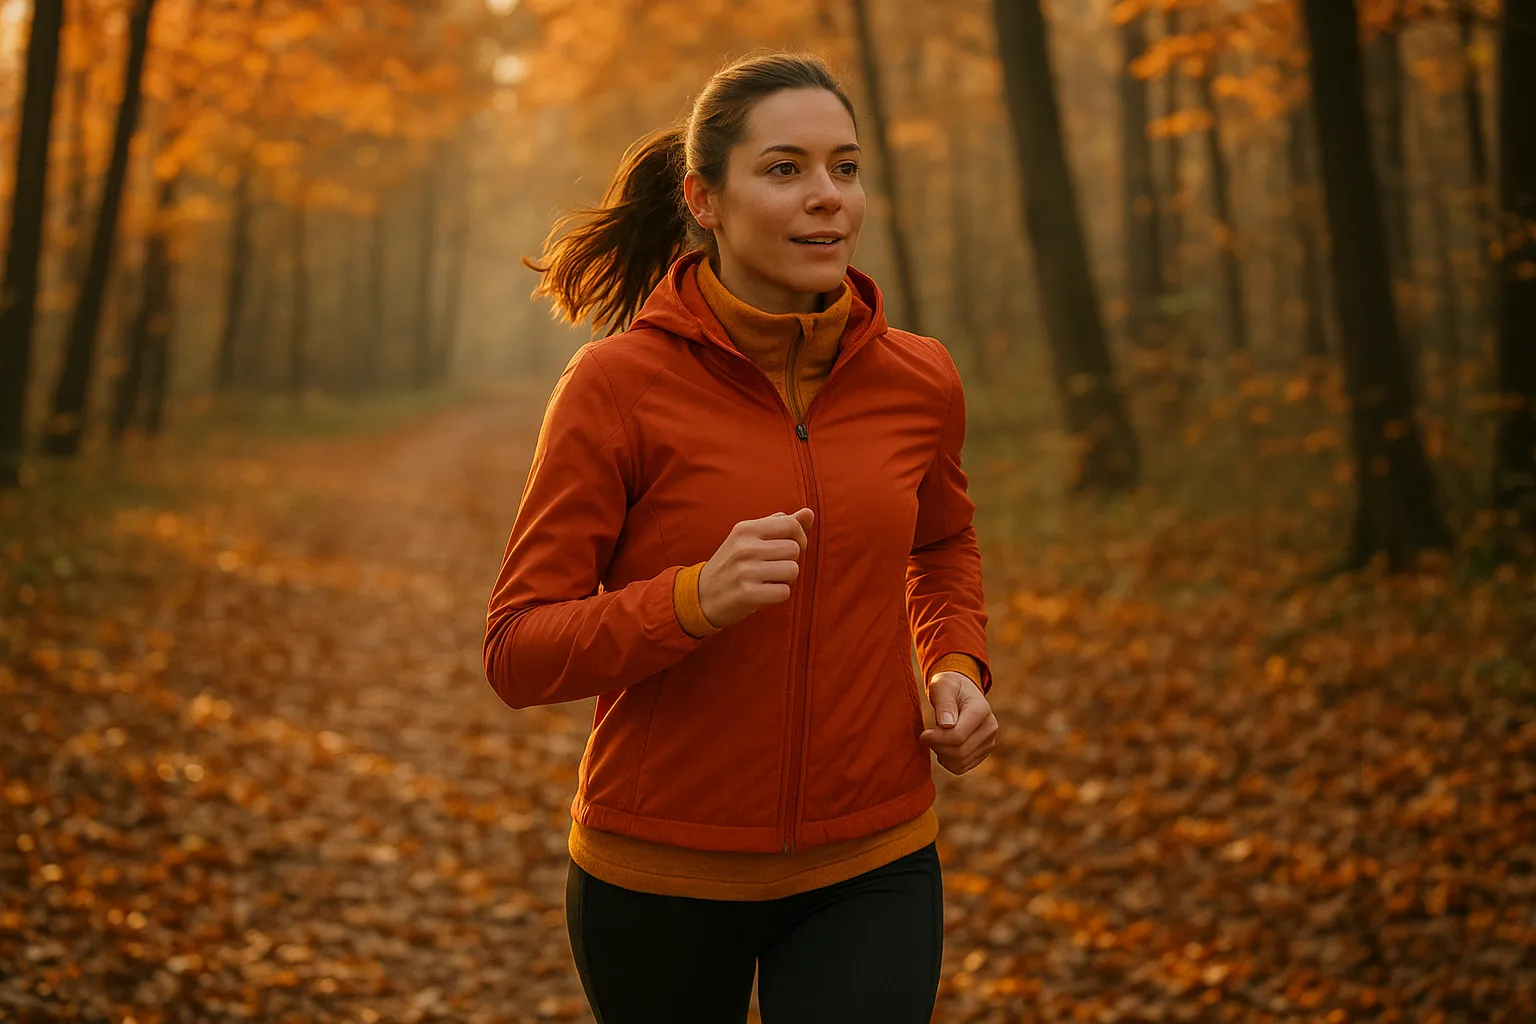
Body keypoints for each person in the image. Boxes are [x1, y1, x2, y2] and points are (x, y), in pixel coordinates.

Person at [483, 50, 997, 1024]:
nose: (827, 199)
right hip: (659, 871)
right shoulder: (616, 388)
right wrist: (691, 602)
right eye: (785, 168)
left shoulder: (918, 378)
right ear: (704, 200)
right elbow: (517, 650)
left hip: (874, 858)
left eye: (845, 168)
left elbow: (942, 546)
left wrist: (958, 661)